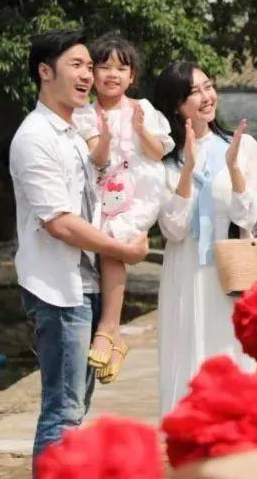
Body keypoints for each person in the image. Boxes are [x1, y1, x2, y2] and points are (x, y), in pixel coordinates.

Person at [8, 29, 149, 469]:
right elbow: (60, 223)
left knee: (75, 408)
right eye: (77, 65)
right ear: (45, 72)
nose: (88, 74)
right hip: (57, 289)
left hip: (83, 283)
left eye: (90, 65)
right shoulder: (35, 138)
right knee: (63, 411)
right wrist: (121, 250)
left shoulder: (73, 132)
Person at [154, 61, 257, 414]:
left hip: (231, 274)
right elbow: (173, 229)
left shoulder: (243, 145)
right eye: (193, 92)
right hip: (186, 274)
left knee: (233, 355)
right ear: (176, 105)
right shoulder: (164, 158)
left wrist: (233, 169)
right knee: (186, 354)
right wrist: (187, 168)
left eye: (208, 86)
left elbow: (249, 216)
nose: (206, 96)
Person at [71, 33, 174, 384]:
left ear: (132, 76)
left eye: (121, 67)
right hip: (102, 191)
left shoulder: (143, 108)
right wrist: (107, 138)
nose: (112, 74)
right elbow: (97, 159)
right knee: (106, 251)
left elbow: (159, 152)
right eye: (104, 67)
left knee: (112, 249)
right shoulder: (85, 115)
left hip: (140, 190)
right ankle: (114, 342)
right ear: (93, 74)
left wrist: (140, 131)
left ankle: (108, 328)